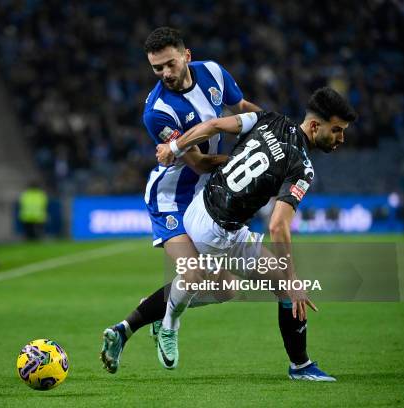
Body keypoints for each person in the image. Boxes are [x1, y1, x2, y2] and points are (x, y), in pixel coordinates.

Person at [151, 86, 357, 380]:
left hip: (199, 206)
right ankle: (170, 317)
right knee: (275, 288)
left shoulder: (268, 118)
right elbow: (277, 225)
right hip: (219, 232)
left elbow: (212, 125)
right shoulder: (302, 166)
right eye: (337, 130)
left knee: (218, 284)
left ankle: (166, 311)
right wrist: (294, 278)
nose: (341, 138)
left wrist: (175, 147)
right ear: (314, 126)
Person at [100, 27, 261, 373]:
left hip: (209, 194)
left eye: (170, 64)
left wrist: (272, 126)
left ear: (186, 55)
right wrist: (243, 161)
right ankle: (169, 324)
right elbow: (200, 162)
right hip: (172, 197)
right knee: (193, 272)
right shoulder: (157, 111)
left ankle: (140, 318)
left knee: (228, 289)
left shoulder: (214, 73)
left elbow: (242, 107)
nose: (165, 74)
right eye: (157, 68)